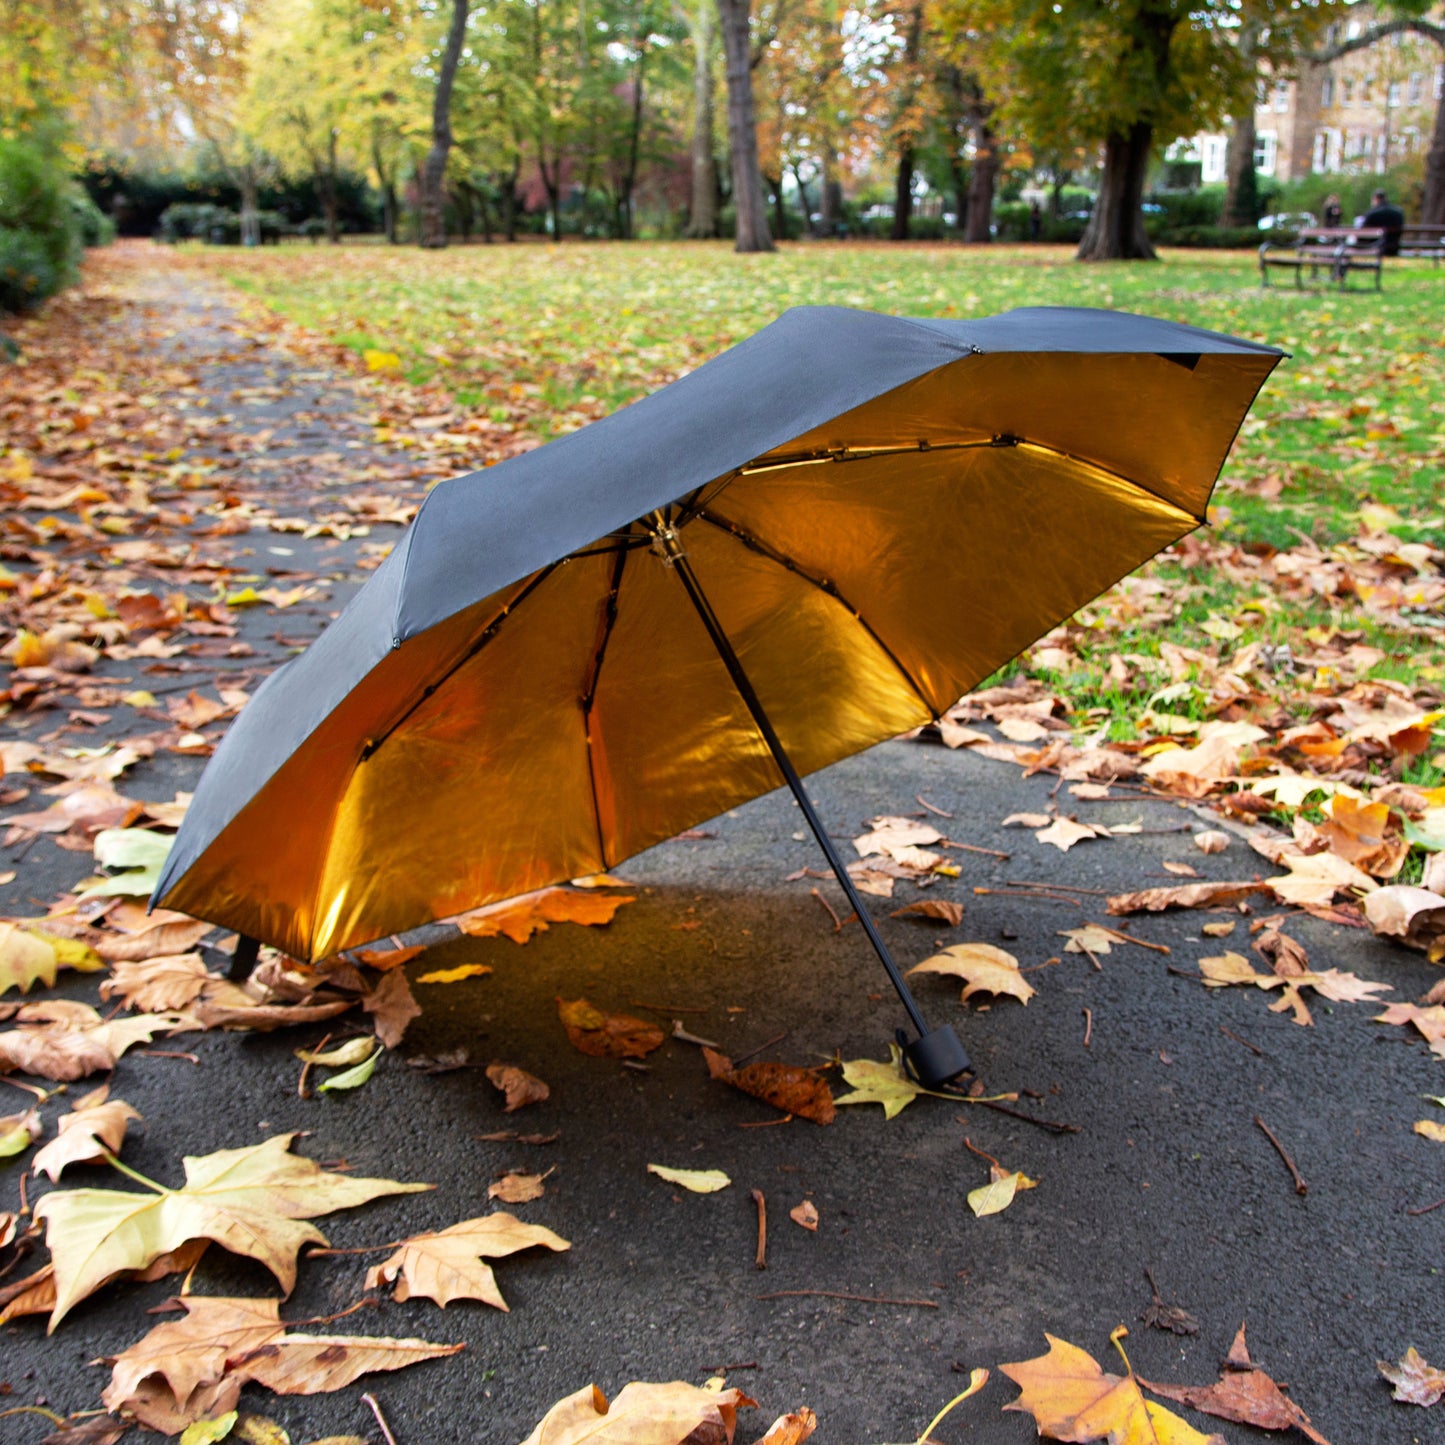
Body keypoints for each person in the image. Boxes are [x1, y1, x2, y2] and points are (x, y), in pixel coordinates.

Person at [1361, 189, 1404, 255]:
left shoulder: (1372, 213)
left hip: (1374, 246)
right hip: (1393, 247)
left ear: (1376, 199)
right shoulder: (1398, 212)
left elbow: (1363, 232)